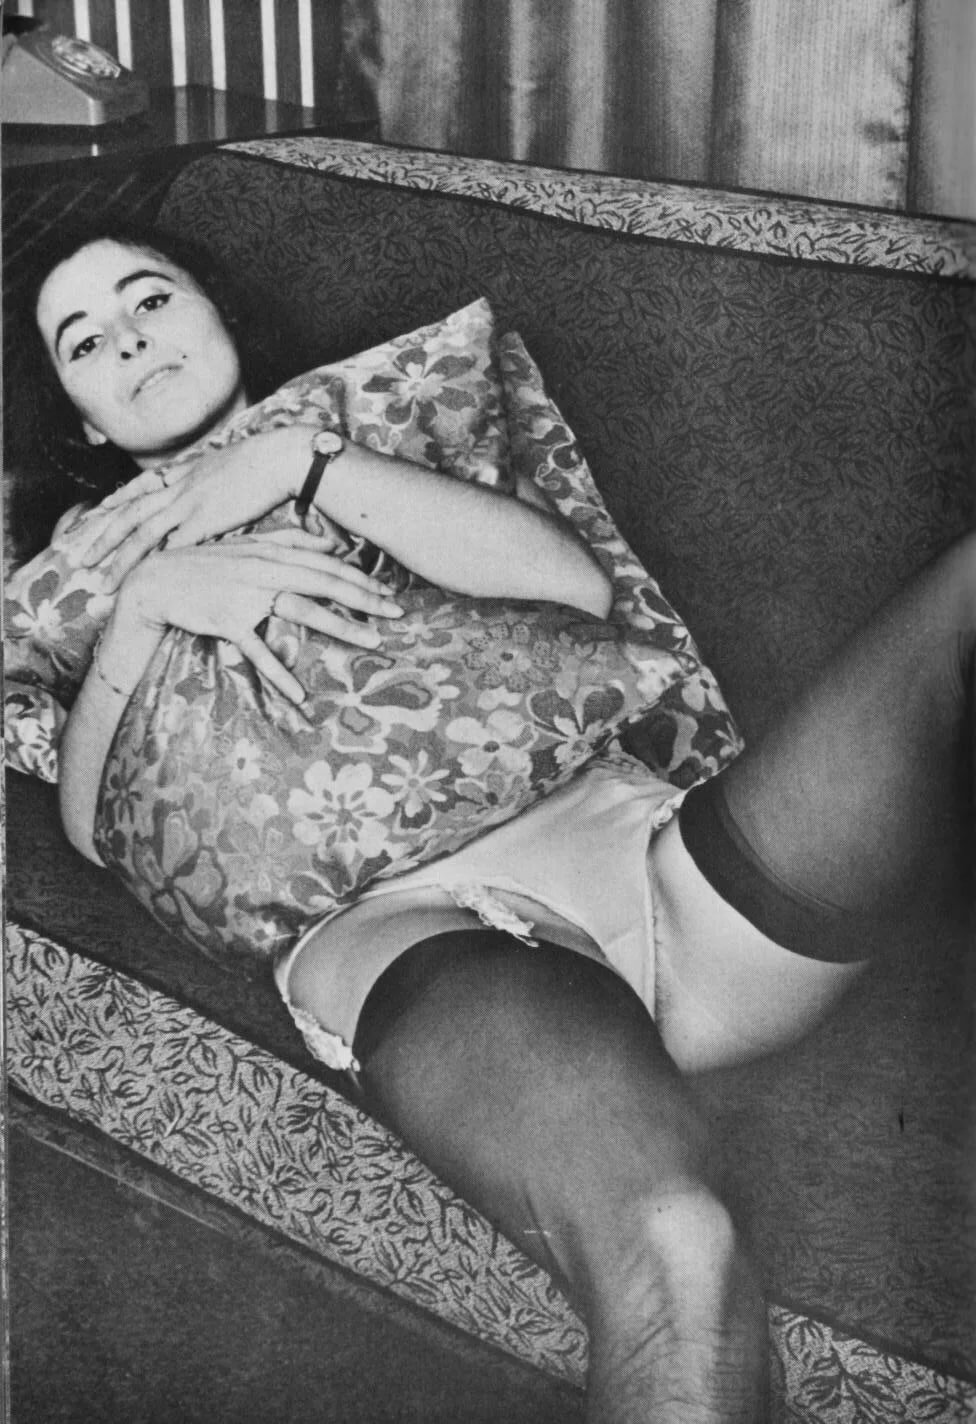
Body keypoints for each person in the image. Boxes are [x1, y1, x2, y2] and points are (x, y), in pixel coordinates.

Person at [6, 224, 973, 1424]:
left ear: (221, 312)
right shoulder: (88, 570)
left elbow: (571, 586)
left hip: (660, 863)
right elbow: (97, 835)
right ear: (84, 420)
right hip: (424, 934)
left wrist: (303, 462)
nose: (128, 338)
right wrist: (149, 607)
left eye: (150, 297)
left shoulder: (383, 424)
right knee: (677, 1247)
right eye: (84, 341)